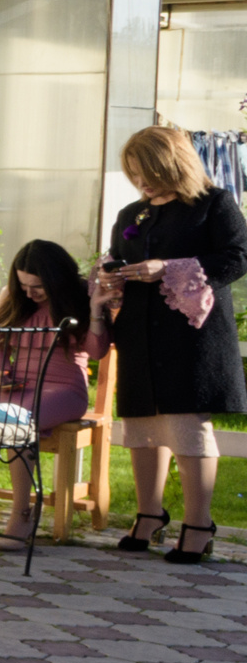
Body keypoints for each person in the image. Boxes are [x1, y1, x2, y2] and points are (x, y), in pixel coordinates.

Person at [97, 126, 245, 566]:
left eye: (149, 171)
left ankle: (199, 524)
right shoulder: (132, 213)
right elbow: (116, 256)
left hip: (192, 338)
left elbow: (238, 257)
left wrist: (169, 268)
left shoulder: (214, 204)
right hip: (139, 333)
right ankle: (149, 514)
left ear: (174, 164)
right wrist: (110, 272)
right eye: (134, 172)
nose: (141, 181)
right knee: (140, 427)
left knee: (186, 426)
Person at [0, 238, 105, 542]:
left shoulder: (81, 296)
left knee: (17, 422)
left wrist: (96, 310)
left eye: (37, 287)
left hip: (64, 388)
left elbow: (97, 351)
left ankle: (22, 513)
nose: (29, 293)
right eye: (23, 285)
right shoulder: (15, 298)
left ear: (56, 279)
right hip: (16, 385)